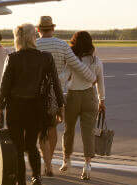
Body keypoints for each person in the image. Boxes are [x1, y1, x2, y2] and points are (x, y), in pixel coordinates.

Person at [0, 23, 64, 185]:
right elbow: (56, 84)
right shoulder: (45, 58)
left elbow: (4, 87)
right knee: (32, 145)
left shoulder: (13, 58)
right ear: (34, 37)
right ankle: (37, 178)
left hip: (16, 108)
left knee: (18, 149)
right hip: (36, 108)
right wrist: (60, 108)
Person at [34, 16, 95, 176]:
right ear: (52, 29)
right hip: (56, 93)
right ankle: (50, 161)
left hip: (36, 93)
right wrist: (91, 77)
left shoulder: (34, 44)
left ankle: (46, 162)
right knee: (52, 127)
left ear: (38, 30)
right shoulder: (62, 45)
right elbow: (76, 64)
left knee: (41, 130)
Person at [61, 30, 106, 180]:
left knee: (69, 130)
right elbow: (100, 83)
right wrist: (102, 100)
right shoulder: (96, 61)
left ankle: (66, 160)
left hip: (73, 96)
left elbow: (64, 77)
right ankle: (87, 165)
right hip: (90, 97)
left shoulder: (73, 60)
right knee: (88, 132)